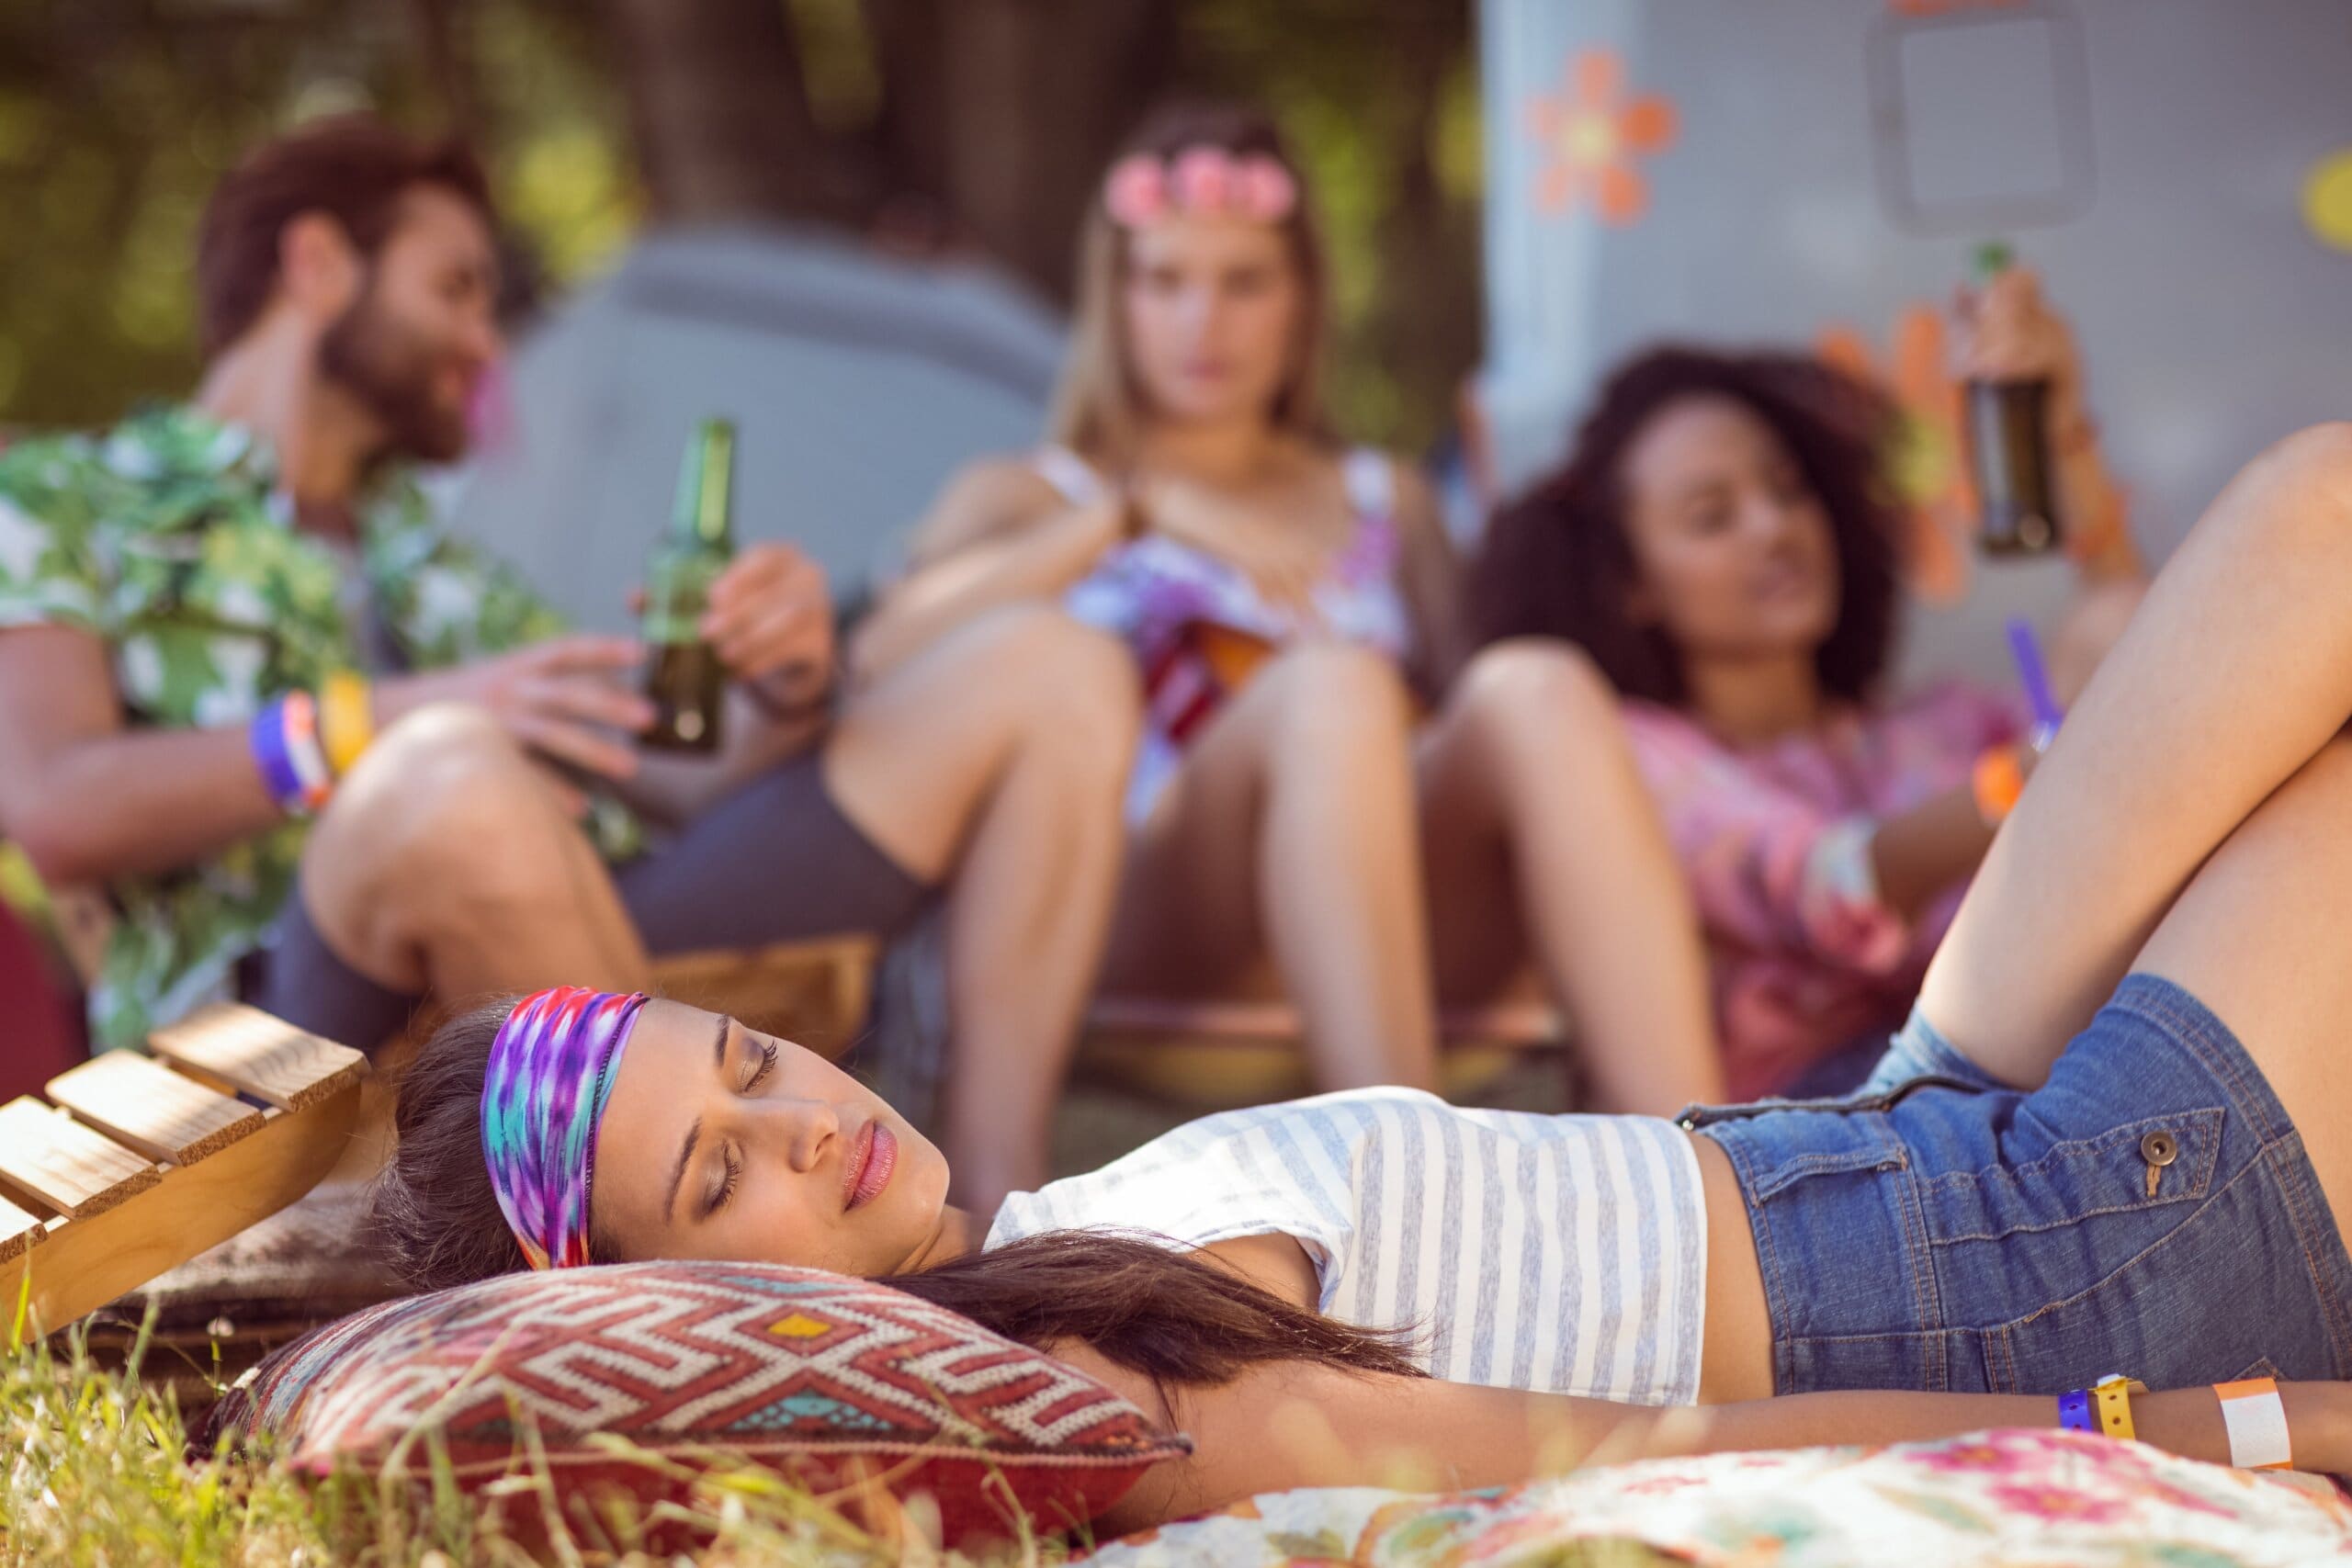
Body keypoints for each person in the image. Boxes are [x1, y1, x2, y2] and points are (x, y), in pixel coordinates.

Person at [373, 420, 2352, 1534]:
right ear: (699, 1302)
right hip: (2023, 1259)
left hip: (1884, 1134)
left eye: (746, 1065)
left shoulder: (1046, 1265)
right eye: (727, 1181)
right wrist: (2191, 1431)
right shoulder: (1080, 1386)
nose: (805, 1117)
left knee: (2303, 536)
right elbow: (1611, 1461)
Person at [0, 117, 1136, 1212]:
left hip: (577, 932)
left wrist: (789, 682)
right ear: (318, 263)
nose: (487, 344)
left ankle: (998, 1220)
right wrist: (395, 720)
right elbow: (54, 808)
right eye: (454, 288)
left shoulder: (428, 549)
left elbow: (676, 776)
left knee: (1049, 664)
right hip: (281, 1018)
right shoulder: (67, 499)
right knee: (453, 779)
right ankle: (728, 1282)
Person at [853, 100, 1722, 1114]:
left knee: (1536, 687)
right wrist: (1123, 517)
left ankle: (1696, 1162)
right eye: (1164, 281)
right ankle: (1414, 1184)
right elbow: (879, 658)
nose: (1201, 323)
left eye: (1244, 282)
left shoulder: (1383, 497)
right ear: (1115, 298)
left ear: (1303, 298)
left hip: (1381, 906)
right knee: (1332, 687)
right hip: (1149, 910)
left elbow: (1457, 727)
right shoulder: (1034, 493)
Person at [1472, 274, 2148, 1100]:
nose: (1774, 527)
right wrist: (2037, 776)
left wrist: (2058, 428)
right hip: (1823, 1129)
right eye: (1712, 516)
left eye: (1789, 490)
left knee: (2118, 634)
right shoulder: (1634, 757)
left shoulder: (1938, 721)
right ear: (1630, 584)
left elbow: (2134, 666)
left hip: (2023, 1072)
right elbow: (1830, 884)